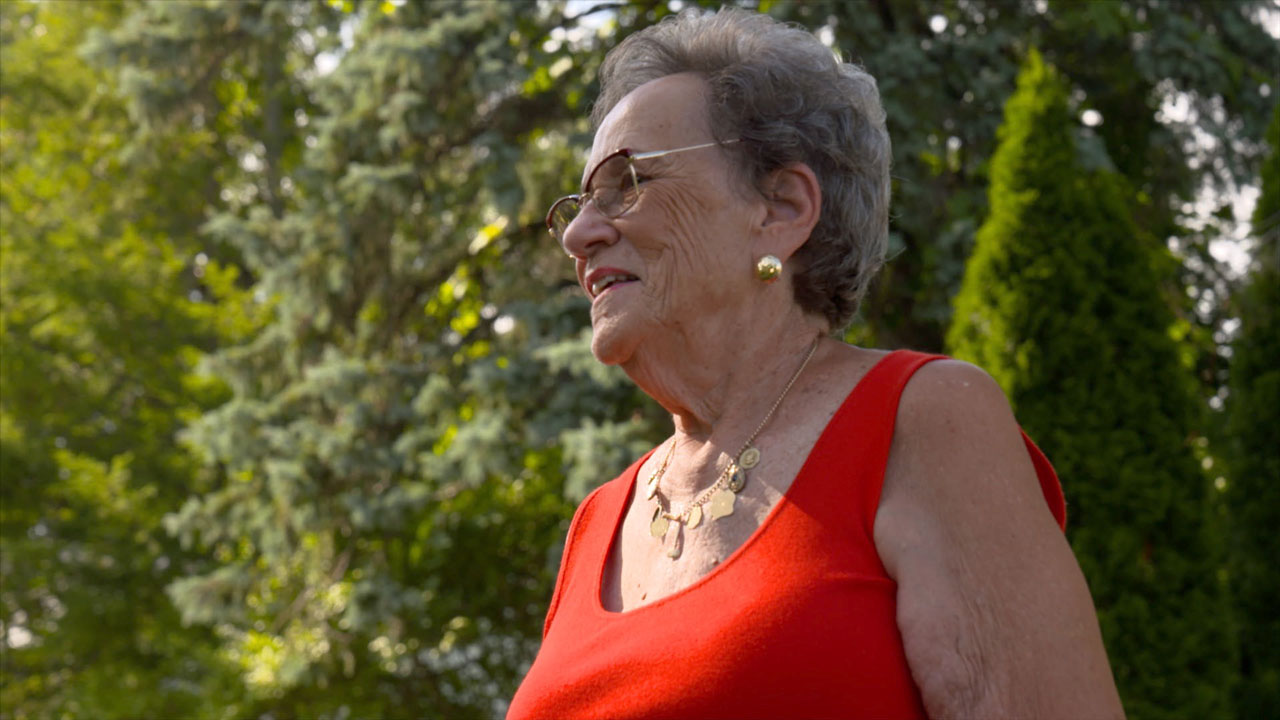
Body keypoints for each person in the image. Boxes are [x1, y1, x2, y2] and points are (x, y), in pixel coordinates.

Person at [508, 8, 1123, 720]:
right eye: (579, 203)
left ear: (782, 208)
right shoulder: (597, 521)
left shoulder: (921, 421)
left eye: (627, 182)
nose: (580, 234)